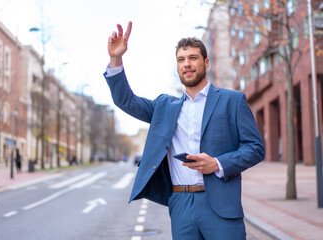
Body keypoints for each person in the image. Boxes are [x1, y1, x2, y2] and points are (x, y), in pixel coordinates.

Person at [104, 22, 265, 239]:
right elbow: (126, 100)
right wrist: (116, 60)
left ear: (206, 62)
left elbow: (255, 148)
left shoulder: (232, 101)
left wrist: (217, 164)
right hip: (180, 203)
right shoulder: (164, 107)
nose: (186, 64)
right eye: (181, 60)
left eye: (192, 58)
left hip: (220, 203)